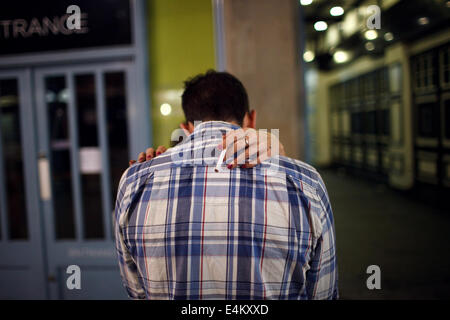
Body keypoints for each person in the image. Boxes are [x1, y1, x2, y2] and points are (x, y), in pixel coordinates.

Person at [114, 70, 338, 299]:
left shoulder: (134, 181)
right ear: (251, 118)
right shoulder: (307, 182)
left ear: (186, 128)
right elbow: (323, 292)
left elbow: (137, 291)